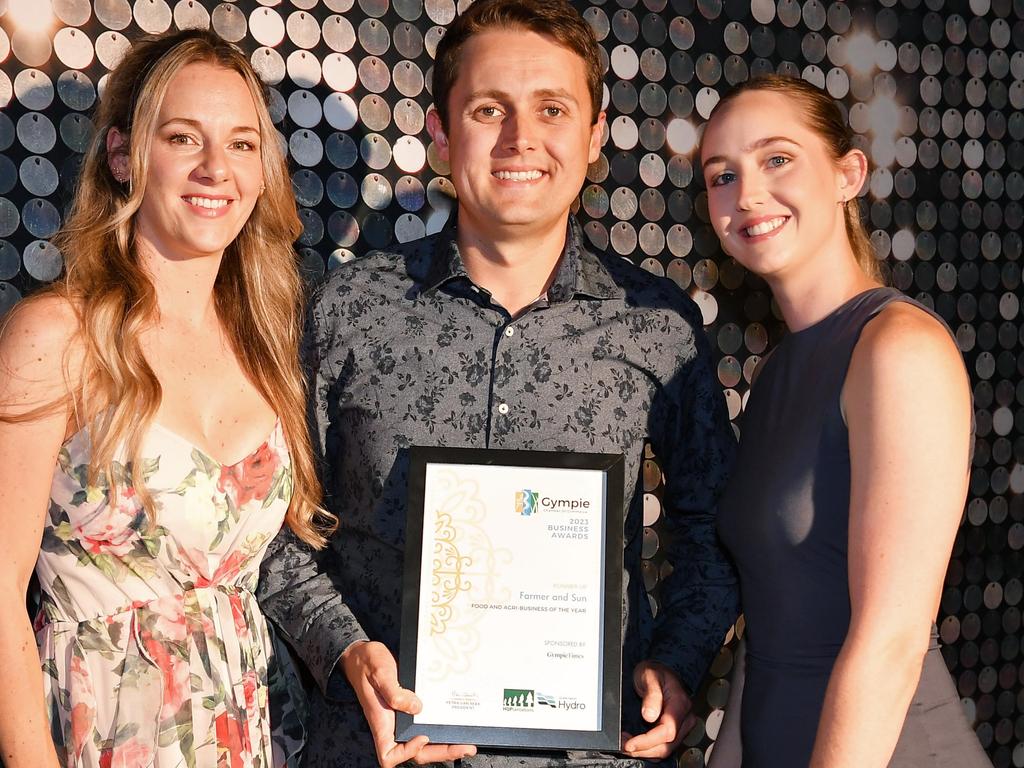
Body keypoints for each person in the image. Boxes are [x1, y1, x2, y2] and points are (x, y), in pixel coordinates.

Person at [256, 1, 739, 766]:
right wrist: (343, 648)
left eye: (552, 108)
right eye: (489, 109)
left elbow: (712, 523)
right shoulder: (347, 309)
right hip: (379, 749)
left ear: (593, 134)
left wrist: (677, 661)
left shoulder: (658, 324)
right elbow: (273, 527)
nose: (520, 139)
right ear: (442, 132)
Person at [0, 29, 335, 768]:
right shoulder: (56, 335)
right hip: (103, 736)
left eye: (243, 144)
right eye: (184, 137)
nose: (217, 168)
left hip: (253, 738)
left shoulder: (270, 344)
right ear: (124, 155)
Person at [700, 75, 991, 767]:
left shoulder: (899, 348)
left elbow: (891, 642)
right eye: (722, 175)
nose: (748, 195)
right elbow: (766, 634)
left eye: (777, 159)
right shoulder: (774, 376)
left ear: (847, 173)